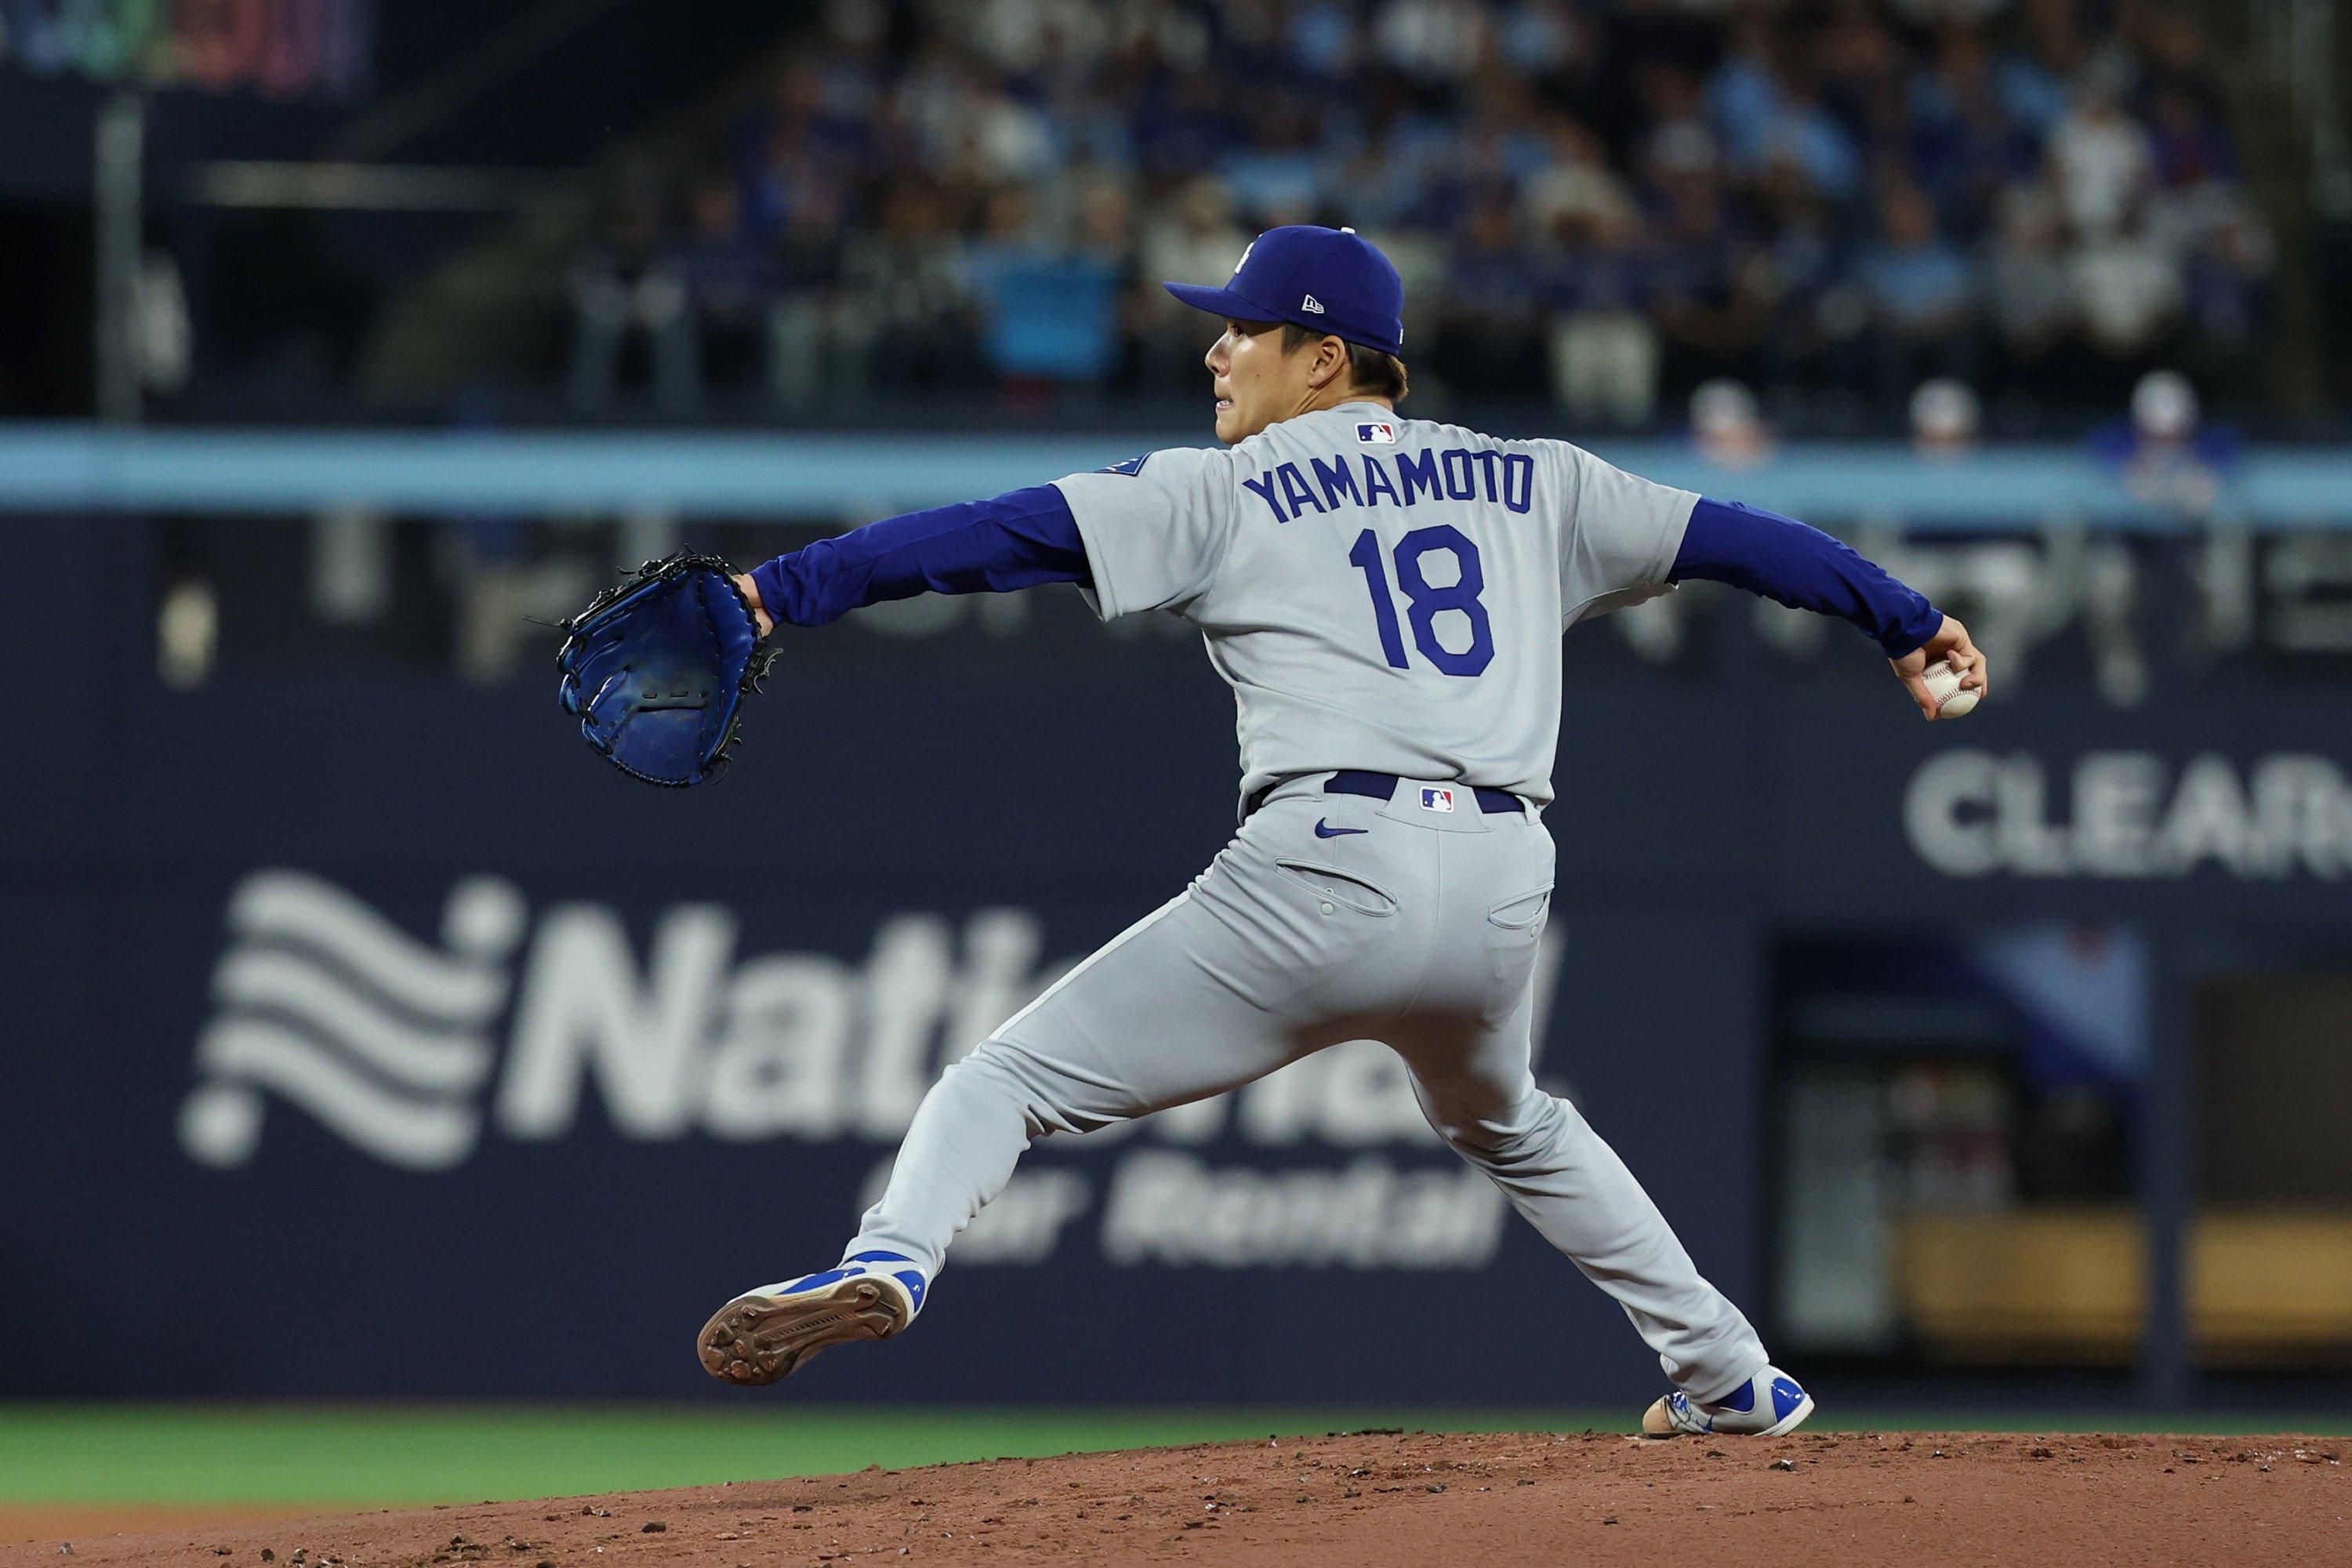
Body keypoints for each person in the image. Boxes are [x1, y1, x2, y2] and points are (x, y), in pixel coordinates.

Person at [697, 226, 1987, 1437]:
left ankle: (891, 1262)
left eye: (1241, 330)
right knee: (1513, 1121)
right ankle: (1728, 1377)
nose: (1214, 351)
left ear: (1324, 359)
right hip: (1497, 882)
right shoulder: (1539, 479)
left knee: (1005, 1083)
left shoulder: (1226, 490)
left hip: (1322, 865)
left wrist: (778, 590)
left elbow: (993, 536)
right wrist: (1905, 619)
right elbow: (1740, 540)